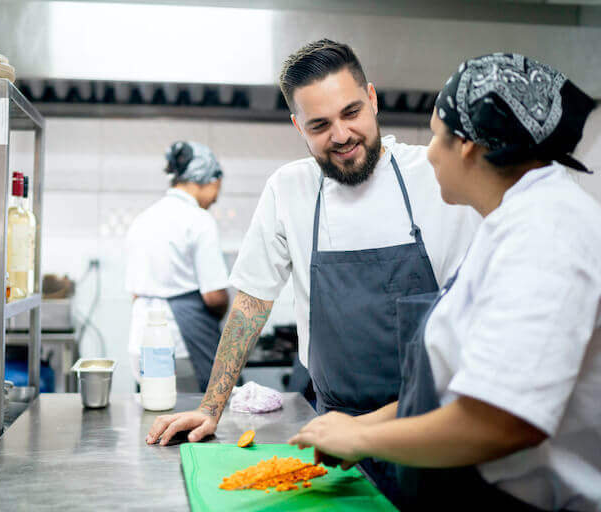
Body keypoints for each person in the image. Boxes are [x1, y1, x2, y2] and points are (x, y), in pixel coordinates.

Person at [146, 39, 479, 500]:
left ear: (373, 99)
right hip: (334, 436)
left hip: (430, 428)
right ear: (297, 126)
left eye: (352, 112)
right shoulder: (289, 189)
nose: (341, 135)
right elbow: (250, 303)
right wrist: (210, 407)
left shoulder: (435, 175)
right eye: (320, 125)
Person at [289, 53, 600, 511]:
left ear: (469, 145)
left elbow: (503, 422)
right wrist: (367, 425)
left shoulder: (545, 233)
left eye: (436, 136)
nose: (430, 152)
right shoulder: (510, 225)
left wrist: (362, 437)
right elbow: (462, 386)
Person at [126, 141, 230, 393]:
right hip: (182, 344)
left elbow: (136, 294)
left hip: (140, 337)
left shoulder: (142, 219)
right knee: (191, 416)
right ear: (207, 179)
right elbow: (213, 295)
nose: (216, 197)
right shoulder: (199, 221)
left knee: (154, 411)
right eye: (217, 187)